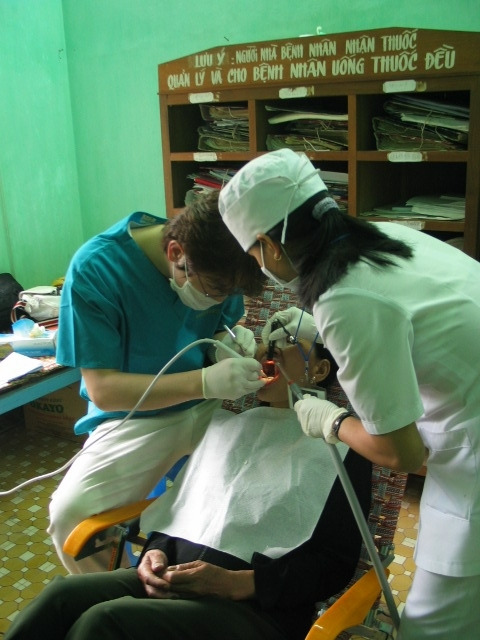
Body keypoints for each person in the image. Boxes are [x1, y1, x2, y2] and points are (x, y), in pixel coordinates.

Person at [217, 147, 480, 639]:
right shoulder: (380, 237)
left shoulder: (346, 298)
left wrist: (331, 420)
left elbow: (402, 452)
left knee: (434, 628)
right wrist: (318, 325)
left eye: (254, 255)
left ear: (269, 244)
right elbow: (397, 311)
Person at [4, 338, 372, 640]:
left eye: (288, 342)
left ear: (320, 369)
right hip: (173, 577)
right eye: (266, 343)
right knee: (61, 596)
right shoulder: (224, 426)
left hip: (255, 610)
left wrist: (239, 583)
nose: (268, 350)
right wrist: (156, 553)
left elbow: (334, 564)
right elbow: (185, 506)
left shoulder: (341, 451)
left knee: (104, 623)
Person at [48, 190, 267, 574]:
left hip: (211, 410)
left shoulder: (215, 260)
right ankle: (121, 597)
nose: (221, 299)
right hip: (136, 418)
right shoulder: (98, 269)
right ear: (176, 255)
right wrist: (203, 382)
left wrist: (227, 342)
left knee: (244, 510)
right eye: (216, 291)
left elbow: (223, 321)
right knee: (69, 516)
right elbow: (104, 389)